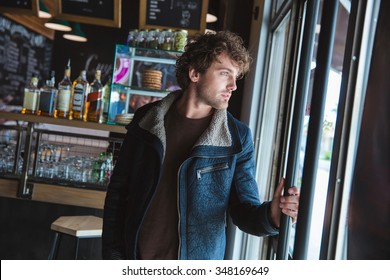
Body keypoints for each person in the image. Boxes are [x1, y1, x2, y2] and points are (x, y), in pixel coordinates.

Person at [102, 31, 300, 260]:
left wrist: (272, 215)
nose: (233, 85)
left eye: (235, 76)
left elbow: (244, 209)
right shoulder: (146, 120)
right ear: (195, 73)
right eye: (224, 73)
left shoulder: (237, 138)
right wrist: (113, 257)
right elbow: (118, 194)